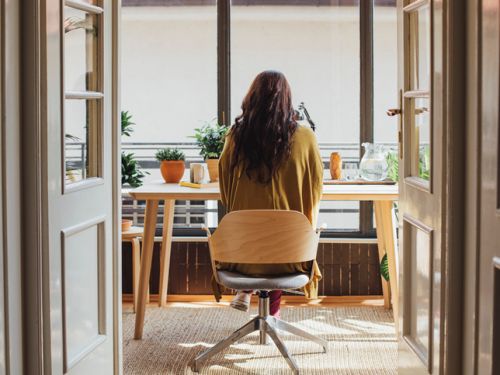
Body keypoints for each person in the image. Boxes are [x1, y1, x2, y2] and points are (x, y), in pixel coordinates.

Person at [213, 70, 323, 318]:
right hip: (292, 256)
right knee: (283, 230)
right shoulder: (306, 138)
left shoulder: (235, 137)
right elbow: (315, 189)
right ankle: (272, 316)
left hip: (241, 255)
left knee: (260, 233)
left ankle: (249, 289)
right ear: (287, 100)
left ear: (251, 98)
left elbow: (226, 193)